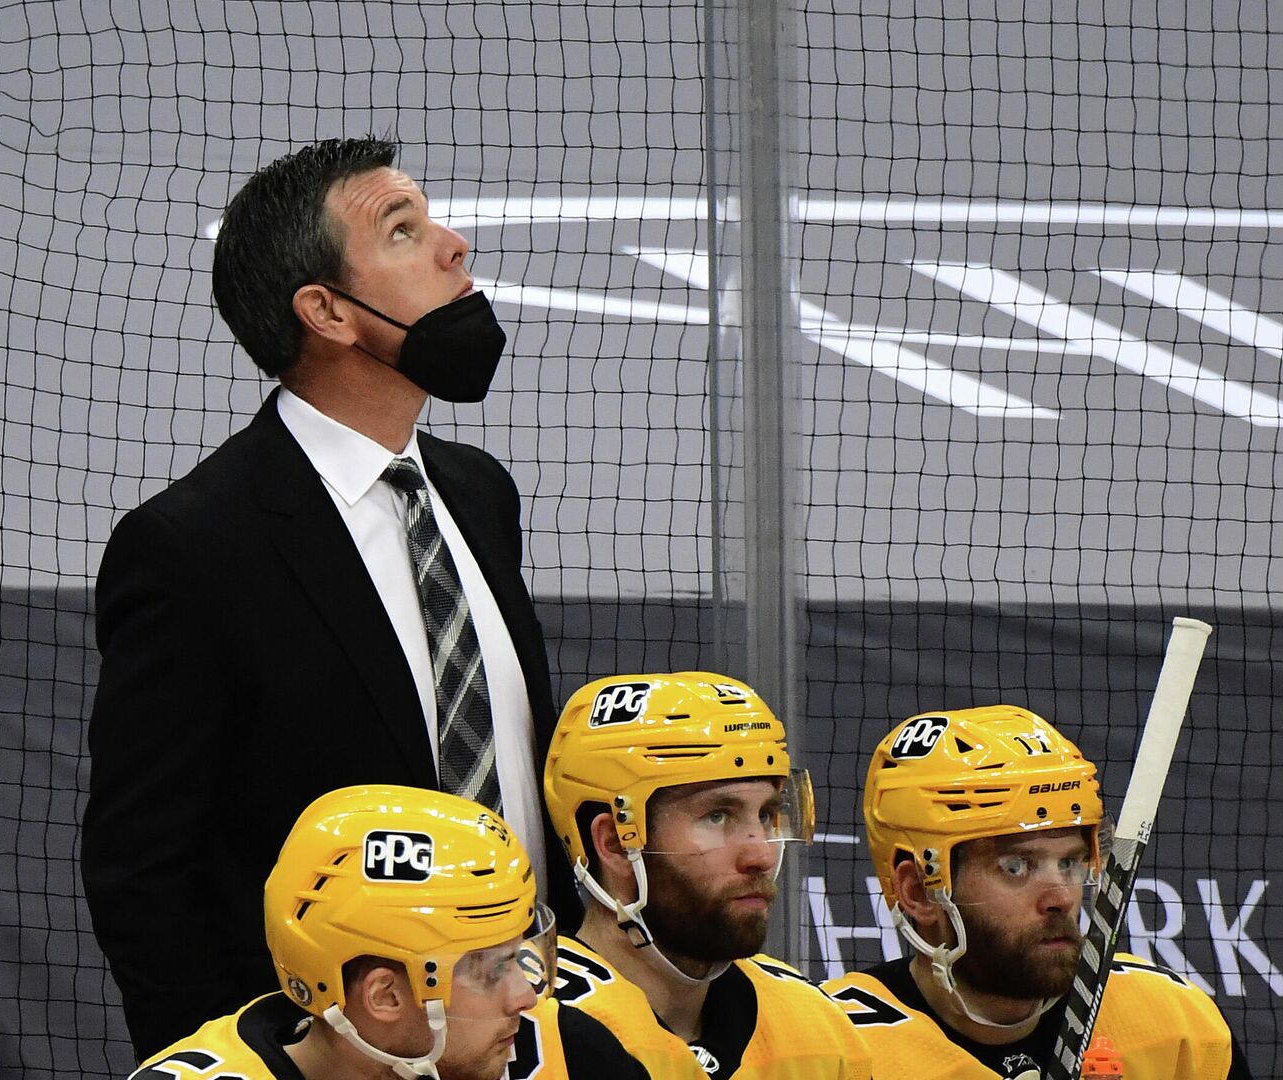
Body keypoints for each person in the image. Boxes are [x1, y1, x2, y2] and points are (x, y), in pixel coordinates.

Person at [84, 135, 571, 1057]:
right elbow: (142, 870)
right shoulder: (192, 546)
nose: (454, 243)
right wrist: (226, 1068)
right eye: (404, 230)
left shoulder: (479, 494)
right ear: (327, 311)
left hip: (529, 1032)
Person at [821, 705, 1251, 1079]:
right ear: (919, 892)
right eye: (1015, 866)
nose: (1061, 897)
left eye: (1069, 862)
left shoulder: (1173, 1023)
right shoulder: (831, 1047)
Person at [129, 784, 656, 1080]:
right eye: (491, 968)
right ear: (384, 995)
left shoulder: (565, 1053)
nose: (526, 995)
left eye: (520, 952)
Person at [543, 673, 871, 1077]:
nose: (761, 853)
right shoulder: (531, 1029)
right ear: (615, 843)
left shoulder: (812, 1022)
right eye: (717, 816)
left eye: (766, 815)